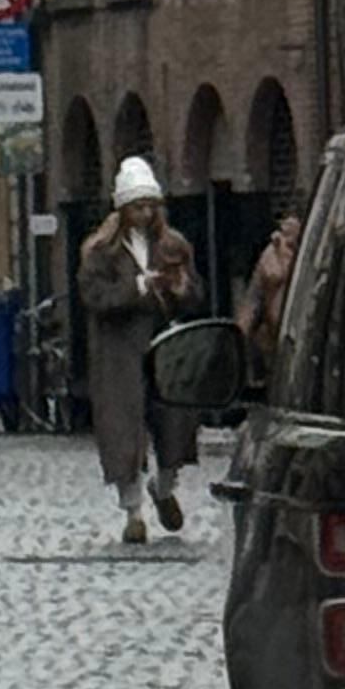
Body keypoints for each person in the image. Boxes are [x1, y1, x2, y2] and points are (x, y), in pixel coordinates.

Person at [78, 155, 202, 544]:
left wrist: (181, 290)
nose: (146, 214)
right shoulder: (101, 251)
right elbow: (93, 296)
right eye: (138, 207)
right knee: (123, 428)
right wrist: (136, 288)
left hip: (165, 348)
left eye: (150, 206)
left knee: (174, 422)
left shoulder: (173, 245)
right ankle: (133, 510)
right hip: (120, 351)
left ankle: (164, 487)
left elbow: (195, 295)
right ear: (123, 209)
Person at [236, 210, 303, 393]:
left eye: (291, 242)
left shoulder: (312, 271)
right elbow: (247, 315)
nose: (276, 239)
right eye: (280, 232)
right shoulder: (270, 259)